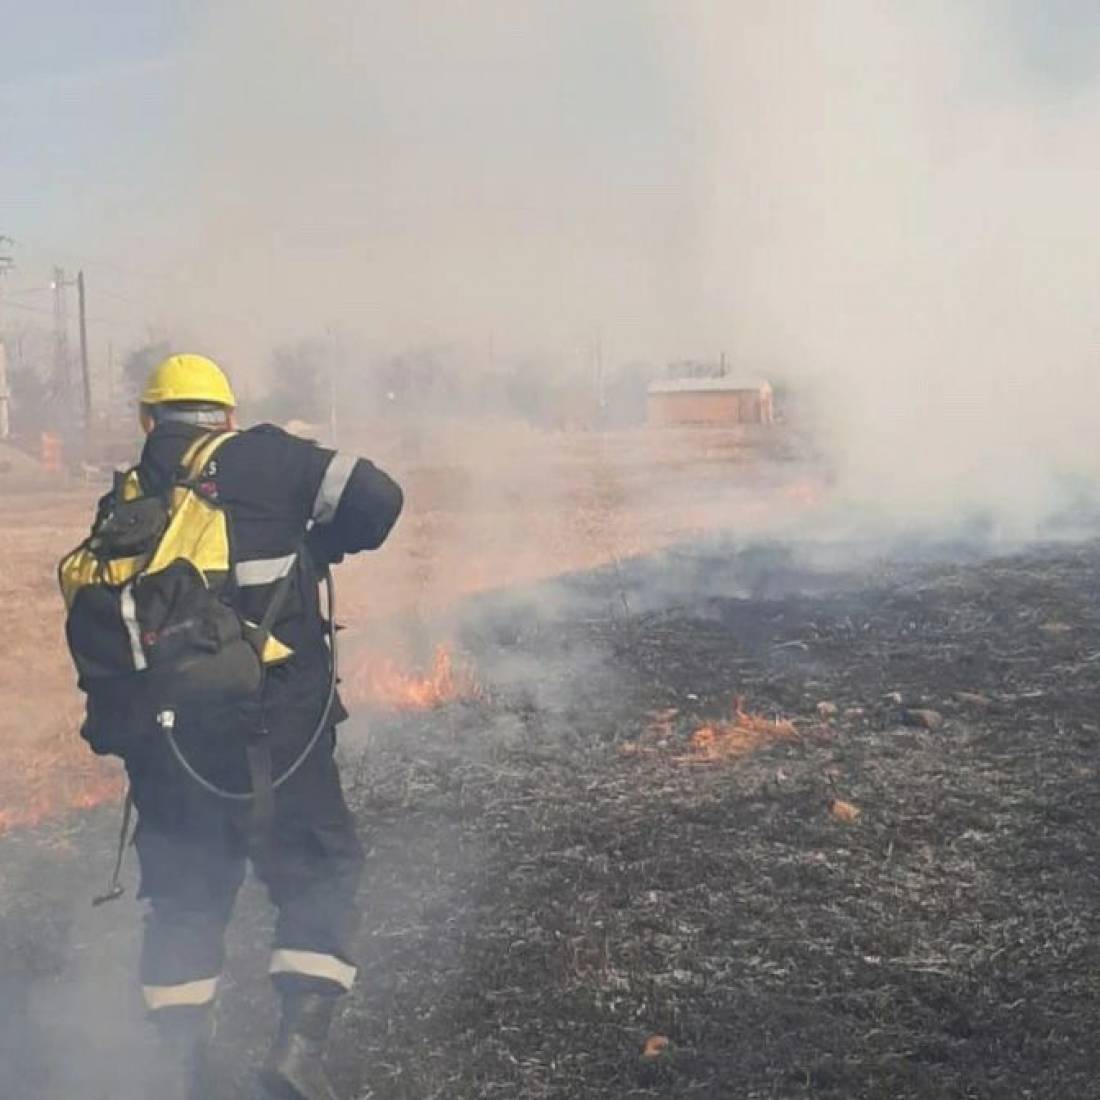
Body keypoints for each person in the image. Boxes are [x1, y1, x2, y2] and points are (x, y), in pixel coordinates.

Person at [78, 353, 403, 1099]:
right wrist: (321, 545)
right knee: (320, 870)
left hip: (167, 748)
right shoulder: (266, 458)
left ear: (148, 419)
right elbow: (378, 497)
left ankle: (183, 1071)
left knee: (185, 898)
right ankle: (298, 1054)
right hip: (279, 736)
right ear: (226, 415)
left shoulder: (126, 498)